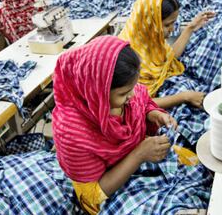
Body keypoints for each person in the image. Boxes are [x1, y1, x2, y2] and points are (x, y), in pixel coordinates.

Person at [52, 36, 179, 214]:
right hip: (108, 191)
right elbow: (93, 195)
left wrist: (152, 114)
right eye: (124, 93)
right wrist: (139, 155)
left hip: (136, 165)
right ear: (96, 91)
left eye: (133, 87)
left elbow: (142, 101)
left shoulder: (123, 93)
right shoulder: (72, 131)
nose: (133, 95)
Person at [118, 0, 215, 109]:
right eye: (167, 24)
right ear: (150, 23)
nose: (173, 29)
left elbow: (169, 57)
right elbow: (136, 103)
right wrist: (183, 97)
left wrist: (191, 27)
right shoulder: (126, 55)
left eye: (174, 23)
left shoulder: (149, 40)